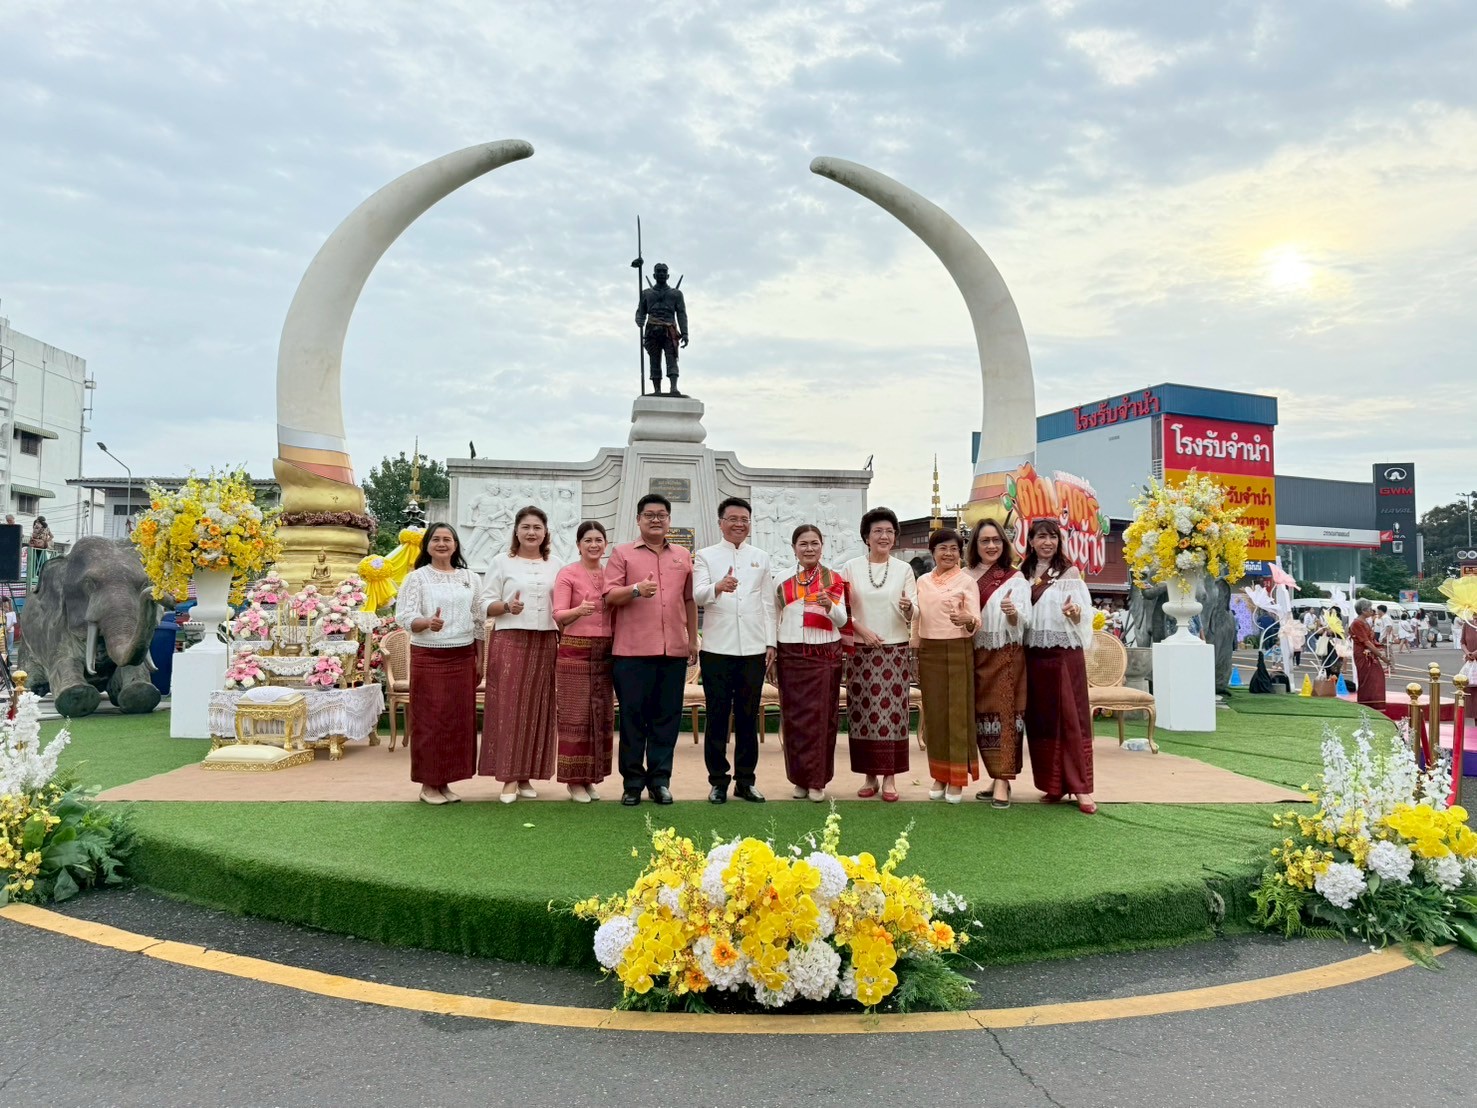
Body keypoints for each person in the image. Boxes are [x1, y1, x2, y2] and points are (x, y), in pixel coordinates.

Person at [603, 494, 699, 806]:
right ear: (638, 519)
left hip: (672, 650)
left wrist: (693, 640)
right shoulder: (622, 553)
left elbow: (688, 600)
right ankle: (632, 783)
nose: (655, 520)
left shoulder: (683, 555)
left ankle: (660, 781)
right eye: (648, 515)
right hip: (631, 652)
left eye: (661, 515)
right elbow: (609, 596)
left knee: (667, 718)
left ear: (669, 520)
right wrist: (636, 590)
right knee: (632, 718)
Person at [394, 523, 485, 805]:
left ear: (456, 545)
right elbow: (404, 616)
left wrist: (480, 657)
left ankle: (444, 782)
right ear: (427, 545)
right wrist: (426, 623)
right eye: (436, 539)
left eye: (448, 539)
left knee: (457, 722)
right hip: (429, 656)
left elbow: (479, 620)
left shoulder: (470, 578)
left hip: (463, 655)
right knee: (430, 721)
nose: (442, 544)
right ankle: (428, 785)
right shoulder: (417, 578)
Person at [693, 497, 774, 805]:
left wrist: (771, 643)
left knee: (746, 716)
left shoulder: (761, 557)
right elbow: (698, 594)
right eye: (733, 518)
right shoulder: (705, 556)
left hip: (753, 647)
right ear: (720, 522)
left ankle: (746, 780)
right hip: (717, 648)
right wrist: (718, 586)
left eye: (744, 519)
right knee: (717, 716)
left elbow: (768, 602)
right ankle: (717, 781)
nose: (739, 524)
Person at [480, 506, 561, 803]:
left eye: (537, 527)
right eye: (525, 527)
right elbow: (484, 603)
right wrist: (506, 607)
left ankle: (527, 775)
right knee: (510, 708)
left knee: (538, 709)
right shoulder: (502, 562)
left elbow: (563, 604)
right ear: (516, 531)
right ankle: (509, 778)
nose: (531, 532)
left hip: (546, 642)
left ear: (545, 532)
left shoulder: (557, 564)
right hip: (511, 639)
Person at [839, 507, 917, 802]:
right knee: (863, 713)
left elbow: (914, 605)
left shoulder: (904, 570)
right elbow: (841, 610)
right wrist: (862, 631)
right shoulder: (850, 567)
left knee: (893, 713)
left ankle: (890, 777)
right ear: (866, 537)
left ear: (895, 537)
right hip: (861, 651)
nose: (884, 536)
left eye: (889, 532)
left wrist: (910, 608)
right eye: (877, 532)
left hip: (895, 650)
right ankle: (869, 775)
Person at [1020, 518, 1097, 814]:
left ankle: (1081, 788)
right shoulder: (1023, 574)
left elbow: (1083, 618)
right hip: (1034, 656)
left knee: (1070, 721)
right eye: (1041, 537)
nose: (1047, 542)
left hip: (1064, 655)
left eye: (1052, 537)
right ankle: (1053, 784)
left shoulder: (1069, 573)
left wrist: (1075, 612)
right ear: (1030, 541)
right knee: (1042, 721)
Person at [773, 524, 848, 801]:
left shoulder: (832, 578)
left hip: (824, 653)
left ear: (822, 546)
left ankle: (817, 780)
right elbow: (774, 615)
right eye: (803, 544)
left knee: (821, 718)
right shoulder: (781, 579)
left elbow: (842, 620)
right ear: (794, 548)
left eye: (814, 543)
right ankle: (799, 779)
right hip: (790, 652)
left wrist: (830, 607)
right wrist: (772, 647)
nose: (809, 549)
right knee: (794, 718)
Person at [912, 528, 981, 803]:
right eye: (943, 549)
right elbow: (917, 619)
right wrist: (913, 650)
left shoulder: (967, 582)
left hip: (957, 648)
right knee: (935, 715)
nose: (949, 554)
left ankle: (957, 779)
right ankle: (939, 775)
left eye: (954, 548)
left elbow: (975, 619)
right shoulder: (923, 582)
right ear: (933, 553)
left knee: (957, 714)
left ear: (960, 552)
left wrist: (966, 618)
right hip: (929, 651)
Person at [967, 518, 1031, 808]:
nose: (991, 546)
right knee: (983, 718)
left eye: (996, 540)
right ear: (976, 545)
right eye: (985, 541)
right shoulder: (965, 576)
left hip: (1006, 655)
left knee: (1006, 716)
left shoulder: (1014, 578)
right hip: (976, 655)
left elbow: (1023, 622)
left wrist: (1012, 613)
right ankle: (995, 775)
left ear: (1003, 544)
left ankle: (1004, 781)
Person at [552, 521, 615, 802]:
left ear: (605, 544)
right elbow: (559, 615)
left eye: (599, 540)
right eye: (588, 540)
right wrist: (579, 610)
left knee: (600, 715)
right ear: (578, 544)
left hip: (606, 652)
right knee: (576, 717)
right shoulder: (568, 573)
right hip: (575, 650)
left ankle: (591, 777)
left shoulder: (611, 573)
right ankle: (573, 780)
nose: (594, 545)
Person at [635, 262, 689, 397]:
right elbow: (640, 312)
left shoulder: (676, 294)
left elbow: (681, 313)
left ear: (668, 275)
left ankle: (673, 387)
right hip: (652, 330)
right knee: (654, 359)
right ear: (654, 275)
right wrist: (639, 320)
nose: (661, 274)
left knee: (672, 358)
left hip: (669, 330)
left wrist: (685, 332)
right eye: (658, 271)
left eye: (663, 272)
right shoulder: (646, 293)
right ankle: (657, 389)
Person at [1350, 599, 1388, 708]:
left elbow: (1370, 640)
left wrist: (1381, 646)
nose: (1372, 611)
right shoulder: (1357, 623)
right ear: (1363, 610)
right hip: (1363, 654)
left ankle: (1375, 705)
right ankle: (1366, 705)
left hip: (1369, 653)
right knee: (1367, 680)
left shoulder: (1365, 622)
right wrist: (1382, 656)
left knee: (1376, 678)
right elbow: (1366, 642)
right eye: (1370, 609)